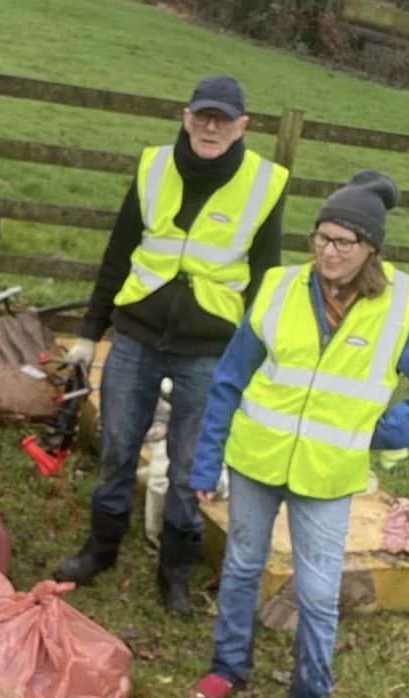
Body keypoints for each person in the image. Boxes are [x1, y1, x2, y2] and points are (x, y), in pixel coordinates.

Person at [188, 171, 409, 698]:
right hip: (256, 459)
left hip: (328, 475)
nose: (328, 252)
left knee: (318, 595)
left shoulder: (399, 309)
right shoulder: (279, 289)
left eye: (343, 242)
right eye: (321, 237)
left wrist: (385, 430)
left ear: (370, 248)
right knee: (241, 566)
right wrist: (206, 459)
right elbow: (229, 379)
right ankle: (227, 666)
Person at [52, 75, 289, 616]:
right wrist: (91, 333)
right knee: (115, 449)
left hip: (209, 349)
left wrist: (255, 358)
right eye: (202, 116)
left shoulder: (265, 184)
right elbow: (117, 253)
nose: (211, 127)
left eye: (223, 119)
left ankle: (174, 573)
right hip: (136, 334)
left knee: (189, 468)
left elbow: (264, 278)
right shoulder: (153, 167)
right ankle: (100, 548)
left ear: (242, 127)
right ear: (185, 117)